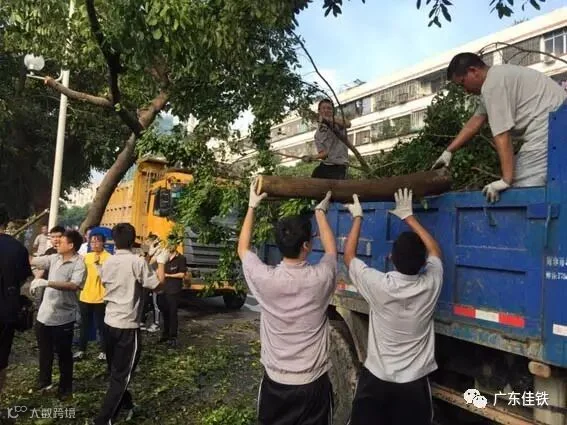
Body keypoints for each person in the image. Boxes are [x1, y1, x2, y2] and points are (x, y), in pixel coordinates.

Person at [238, 178, 338, 425]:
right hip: (313, 384)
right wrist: (320, 212)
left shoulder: (265, 279)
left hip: (276, 384)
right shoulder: (320, 278)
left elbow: (243, 249)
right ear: (306, 246)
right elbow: (331, 252)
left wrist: (251, 206)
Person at [343, 189, 443, 425]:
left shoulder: (379, 285)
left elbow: (349, 257)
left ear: (391, 258)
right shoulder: (430, 284)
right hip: (413, 386)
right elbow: (436, 252)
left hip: (376, 380)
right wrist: (409, 217)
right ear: (423, 263)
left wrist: (357, 217)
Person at [432, 52, 567, 203]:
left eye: (463, 83)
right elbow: (476, 120)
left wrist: (506, 180)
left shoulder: (493, 85)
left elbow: (502, 134)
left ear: (473, 71)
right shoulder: (497, 77)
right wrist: (449, 151)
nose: (465, 90)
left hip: (552, 126)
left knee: (524, 187)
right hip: (556, 122)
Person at [93, 223, 167, 425]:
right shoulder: (137, 262)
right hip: (127, 326)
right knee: (121, 376)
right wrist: (161, 262)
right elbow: (157, 286)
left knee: (116, 371)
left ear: (114, 240)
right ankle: (103, 420)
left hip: (109, 322)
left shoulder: (108, 261)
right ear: (133, 240)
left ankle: (126, 405)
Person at [29, 230, 86, 400]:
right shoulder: (54, 258)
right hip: (45, 314)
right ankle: (44, 381)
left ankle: (65, 388)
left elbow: (74, 285)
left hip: (63, 316)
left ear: (71, 245)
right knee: (44, 350)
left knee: (63, 354)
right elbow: (32, 260)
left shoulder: (79, 264)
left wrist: (47, 282)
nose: (57, 243)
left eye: (61, 241)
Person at [0, 206, 33, 393]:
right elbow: (23, 279)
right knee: (1, 359)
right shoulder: (18, 248)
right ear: (6, 223)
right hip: (7, 310)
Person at [74, 232, 112, 361]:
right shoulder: (86, 257)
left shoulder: (109, 257)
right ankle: (81, 350)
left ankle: (104, 351)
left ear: (103, 242)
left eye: (97, 241)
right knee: (84, 324)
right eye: (92, 242)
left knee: (101, 325)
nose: (95, 244)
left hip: (101, 297)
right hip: (85, 295)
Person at [302, 98, 351, 180]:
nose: (326, 110)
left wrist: (328, 119)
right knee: (315, 175)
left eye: (329, 108)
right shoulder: (318, 134)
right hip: (327, 164)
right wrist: (312, 157)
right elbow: (324, 154)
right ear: (319, 111)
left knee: (334, 184)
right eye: (323, 108)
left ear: (332, 111)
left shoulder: (338, 123)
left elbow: (348, 124)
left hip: (339, 165)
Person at [157, 238, 187, 348]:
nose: (170, 246)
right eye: (169, 244)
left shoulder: (181, 258)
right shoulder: (163, 257)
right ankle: (165, 334)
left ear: (176, 245)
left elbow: (182, 274)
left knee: (172, 314)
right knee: (164, 313)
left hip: (174, 290)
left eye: (173, 244)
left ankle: (173, 337)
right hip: (163, 289)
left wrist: (168, 275)